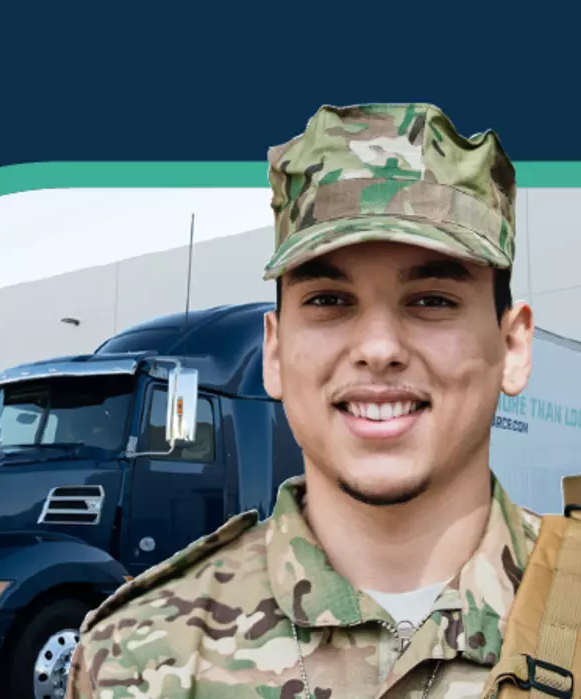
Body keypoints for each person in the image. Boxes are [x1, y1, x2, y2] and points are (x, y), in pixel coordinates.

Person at [65, 102, 540, 698]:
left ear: (513, 346)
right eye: (329, 300)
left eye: (433, 300)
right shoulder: (136, 656)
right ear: (275, 351)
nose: (378, 347)